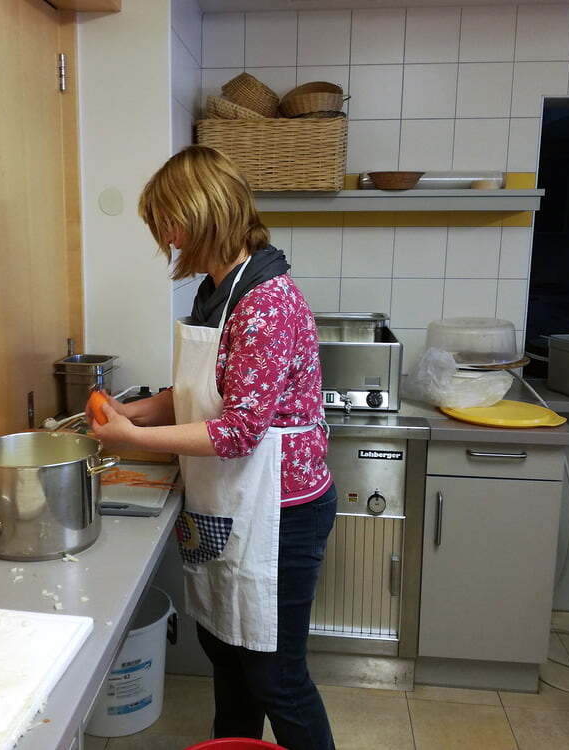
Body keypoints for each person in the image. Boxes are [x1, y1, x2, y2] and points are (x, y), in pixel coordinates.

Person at [90, 145, 336, 750]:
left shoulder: (265, 302)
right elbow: (200, 394)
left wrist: (131, 438)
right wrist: (132, 410)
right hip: (232, 501)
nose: (167, 238)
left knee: (276, 677)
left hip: (280, 513)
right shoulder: (218, 291)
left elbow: (240, 430)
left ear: (203, 216)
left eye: (170, 223)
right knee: (228, 655)